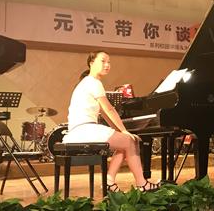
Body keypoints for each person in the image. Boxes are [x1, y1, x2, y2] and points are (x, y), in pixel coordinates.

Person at [62, 51, 160, 192]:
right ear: (91, 63)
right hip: (84, 130)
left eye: (109, 62)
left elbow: (105, 113)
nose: (107, 65)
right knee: (129, 141)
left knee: (126, 142)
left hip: (81, 130)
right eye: (103, 61)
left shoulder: (88, 82)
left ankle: (109, 181)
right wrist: (124, 131)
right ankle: (141, 184)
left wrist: (121, 131)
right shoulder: (93, 82)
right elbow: (109, 109)